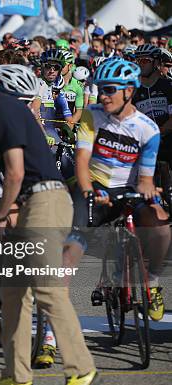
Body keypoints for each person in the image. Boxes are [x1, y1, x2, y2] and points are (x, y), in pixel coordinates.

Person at [0, 49, 97, 385]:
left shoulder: (3, 108)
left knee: (47, 288)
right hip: (34, 199)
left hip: (44, 200)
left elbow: (14, 173)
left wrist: (1, 215)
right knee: (13, 294)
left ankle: (82, 367)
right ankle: (16, 374)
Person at [64, 59, 169, 323]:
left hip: (129, 188)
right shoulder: (92, 114)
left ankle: (153, 283)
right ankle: (52, 331)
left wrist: (147, 190)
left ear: (129, 91)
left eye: (110, 89)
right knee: (69, 254)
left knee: (161, 225)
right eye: (100, 89)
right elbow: (81, 161)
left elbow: (146, 178)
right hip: (95, 185)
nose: (103, 95)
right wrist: (88, 191)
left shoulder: (149, 129)